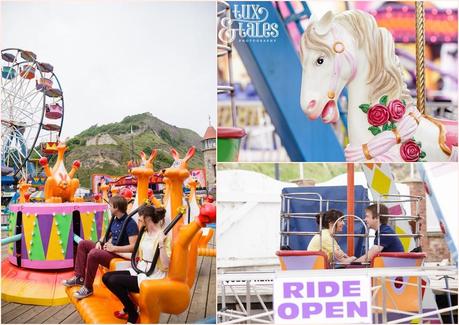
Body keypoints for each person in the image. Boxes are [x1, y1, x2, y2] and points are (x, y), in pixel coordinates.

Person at [102, 205, 171, 324]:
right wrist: (114, 250)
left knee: (114, 281)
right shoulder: (144, 234)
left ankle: (132, 314)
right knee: (106, 277)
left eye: (140, 220)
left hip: (152, 275)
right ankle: (131, 308)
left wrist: (161, 244)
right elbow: (136, 254)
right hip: (140, 269)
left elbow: (166, 265)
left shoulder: (162, 237)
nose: (138, 222)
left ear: (147, 219)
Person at [62, 195, 139, 299]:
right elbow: (108, 235)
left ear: (116, 207)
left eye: (110, 206)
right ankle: (79, 277)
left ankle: (88, 287)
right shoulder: (115, 219)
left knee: (94, 253)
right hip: (110, 249)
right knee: (83, 244)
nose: (109, 207)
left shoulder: (130, 223)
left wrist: (115, 248)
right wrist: (100, 241)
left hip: (118, 254)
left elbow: (134, 247)